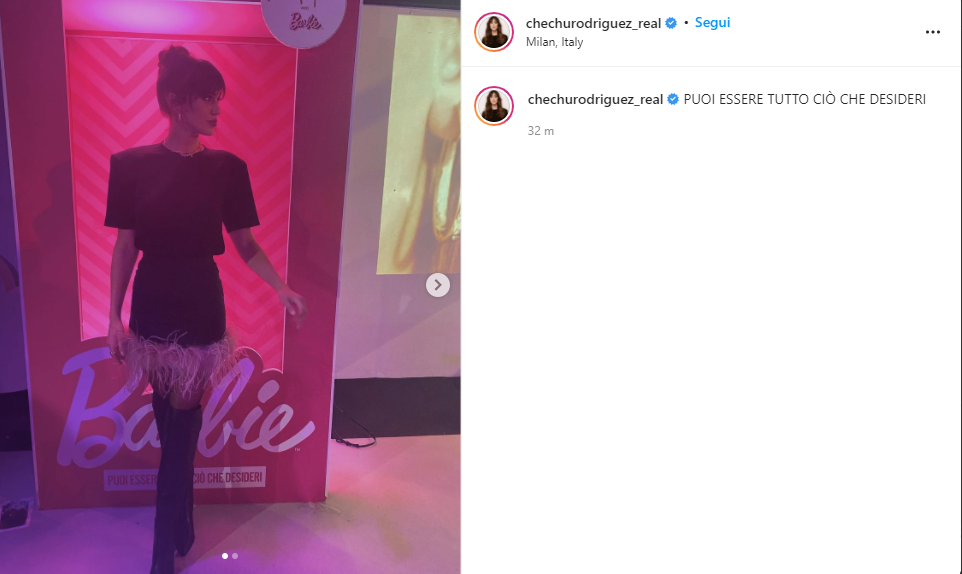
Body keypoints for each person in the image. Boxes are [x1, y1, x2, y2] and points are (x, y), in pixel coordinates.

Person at [104, 45, 307, 574]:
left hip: (200, 303)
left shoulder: (227, 169)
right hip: (151, 302)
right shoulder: (130, 166)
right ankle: (184, 516)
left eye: (219, 99)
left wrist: (280, 287)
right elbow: (125, 247)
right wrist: (113, 317)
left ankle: (161, 548)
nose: (217, 110)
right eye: (207, 99)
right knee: (169, 415)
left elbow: (246, 245)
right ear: (178, 103)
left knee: (180, 421)